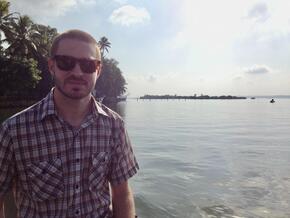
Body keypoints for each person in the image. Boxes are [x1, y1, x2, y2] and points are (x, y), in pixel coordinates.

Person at [0, 29, 139, 218]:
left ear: (98, 70)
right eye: (66, 62)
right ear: (51, 66)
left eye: (88, 65)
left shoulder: (114, 126)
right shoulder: (14, 131)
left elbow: (122, 195)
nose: (77, 72)